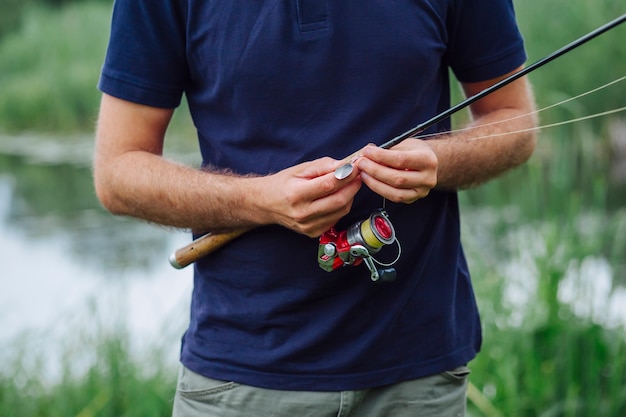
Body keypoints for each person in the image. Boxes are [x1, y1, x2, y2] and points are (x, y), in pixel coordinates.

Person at [93, 0, 537, 415]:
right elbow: (118, 172)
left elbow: (513, 120)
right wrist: (258, 200)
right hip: (239, 380)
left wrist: (439, 161)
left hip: (419, 377)